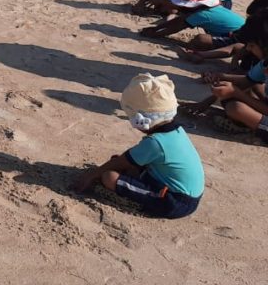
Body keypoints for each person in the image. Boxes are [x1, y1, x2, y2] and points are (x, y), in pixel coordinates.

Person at [72, 74, 203, 219]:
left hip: (174, 202)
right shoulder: (176, 131)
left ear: (141, 120)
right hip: (181, 191)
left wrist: (92, 174)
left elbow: (122, 161)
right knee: (122, 164)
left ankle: (134, 202)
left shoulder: (155, 143)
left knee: (109, 176)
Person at [181, 16, 268, 141]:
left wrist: (237, 93)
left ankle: (249, 126)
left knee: (236, 108)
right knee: (236, 91)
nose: (248, 49)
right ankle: (249, 121)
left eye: (252, 45)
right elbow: (246, 81)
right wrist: (204, 103)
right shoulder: (264, 63)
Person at [140, 0, 244, 44]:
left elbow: (177, 27)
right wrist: (157, 27)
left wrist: (155, 34)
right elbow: (181, 20)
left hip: (238, 37)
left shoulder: (202, 14)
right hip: (239, 31)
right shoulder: (207, 8)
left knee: (200, 40)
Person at [178, 0, 268, 64]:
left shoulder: (256, 30)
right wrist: (202, 55)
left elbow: (252, 82)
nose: (248, 48)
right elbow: (237, 47)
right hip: (238, 38)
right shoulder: (253, 30)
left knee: (201, 39)